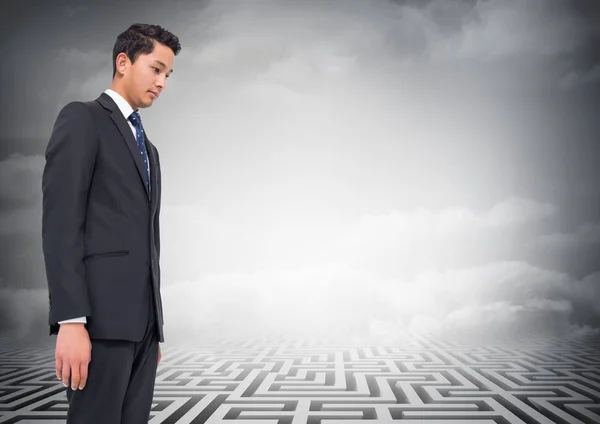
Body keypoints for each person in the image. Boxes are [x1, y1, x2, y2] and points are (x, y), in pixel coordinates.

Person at [41, 23, 181, 423]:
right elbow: (61, 224)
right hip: (97, 326)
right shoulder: (82, 119)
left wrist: (153, 326)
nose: (162, 82)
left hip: (141, 330)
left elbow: (147, 239)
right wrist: (71, 321)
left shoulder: (148, 149)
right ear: (123, 62)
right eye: (156, 69)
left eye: (168, 75)